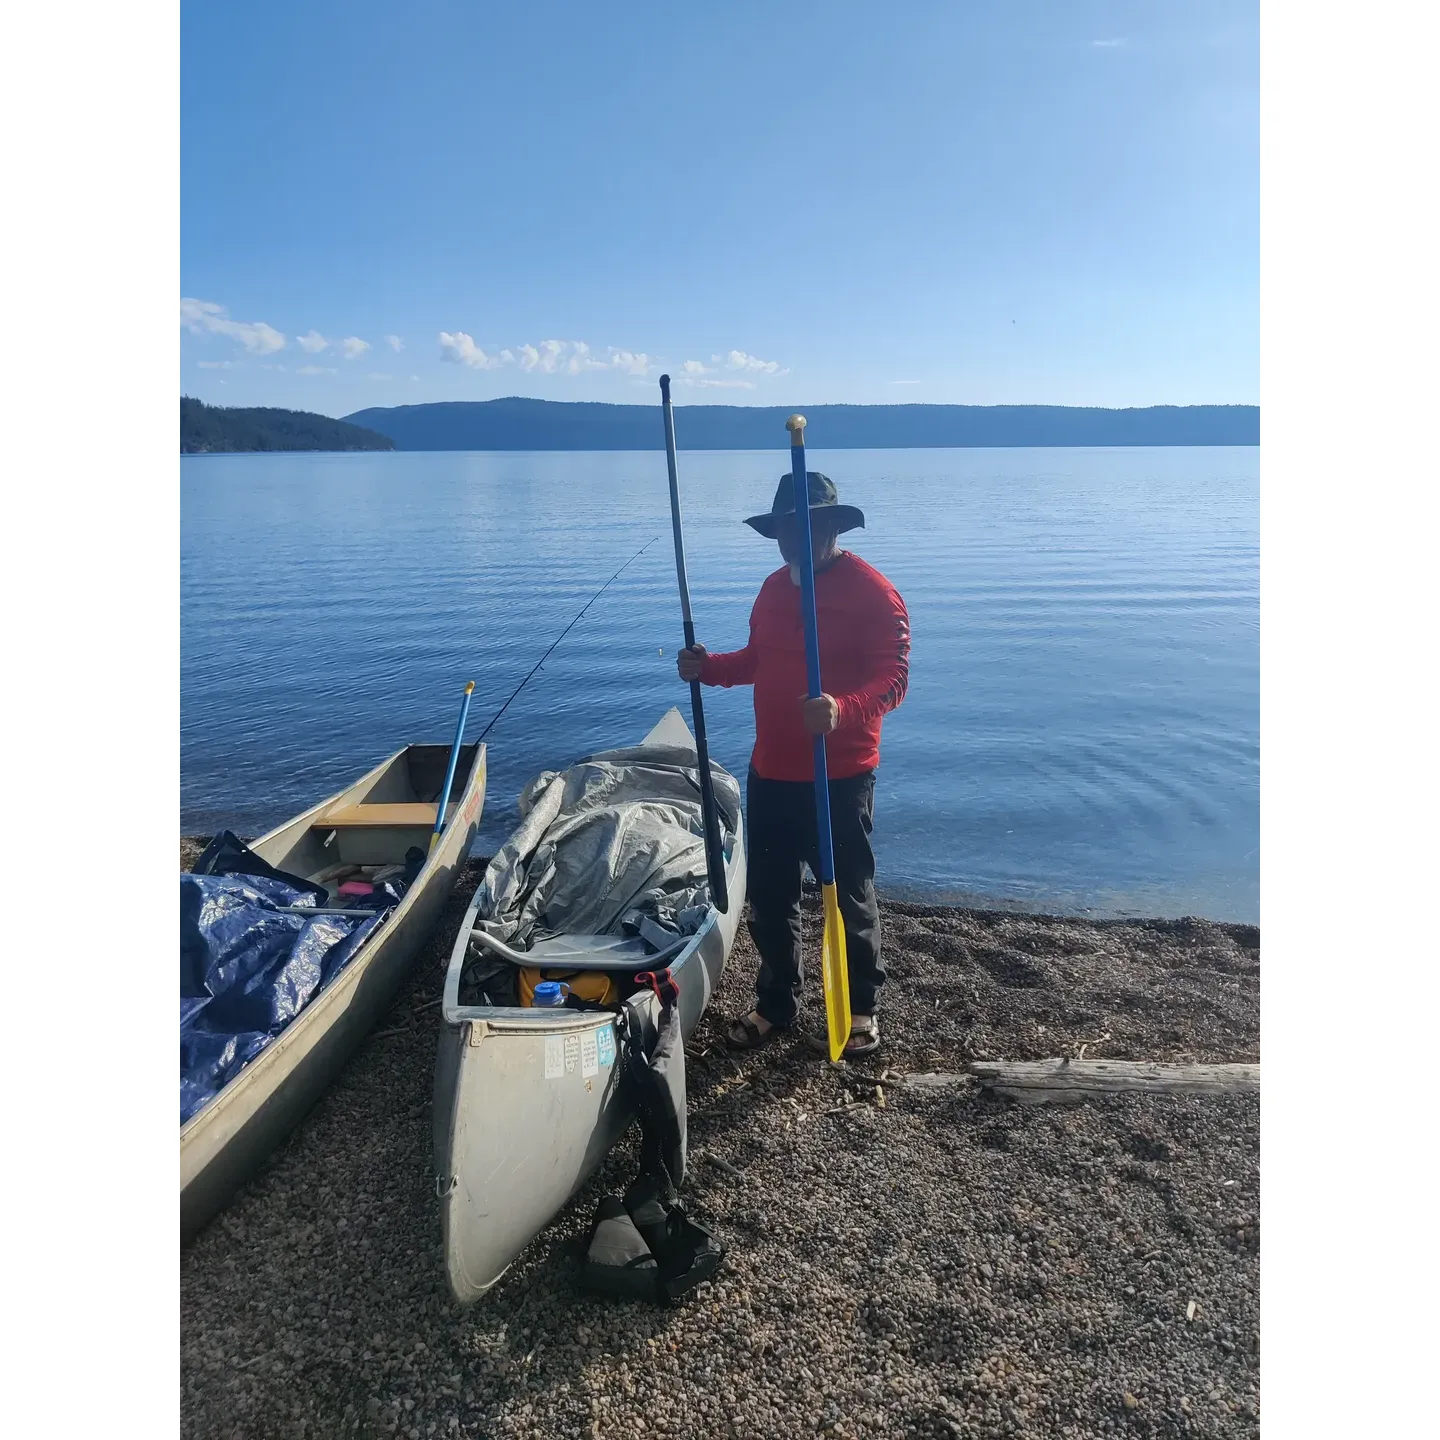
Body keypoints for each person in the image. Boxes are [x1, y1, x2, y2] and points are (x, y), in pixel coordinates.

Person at [677, 471, 909, 1056]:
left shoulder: (873, 592)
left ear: (832, 527)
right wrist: (711, 668)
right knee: (771, 897)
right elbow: (759, 659)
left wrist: (841, 708)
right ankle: (777, 1002)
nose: (793, 540)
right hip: (772, 771)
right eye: (785, 529)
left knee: (847, 892)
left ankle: (860, 1007)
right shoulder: (774, 588)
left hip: (841, 775)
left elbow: (894, 680)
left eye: (806, 527)